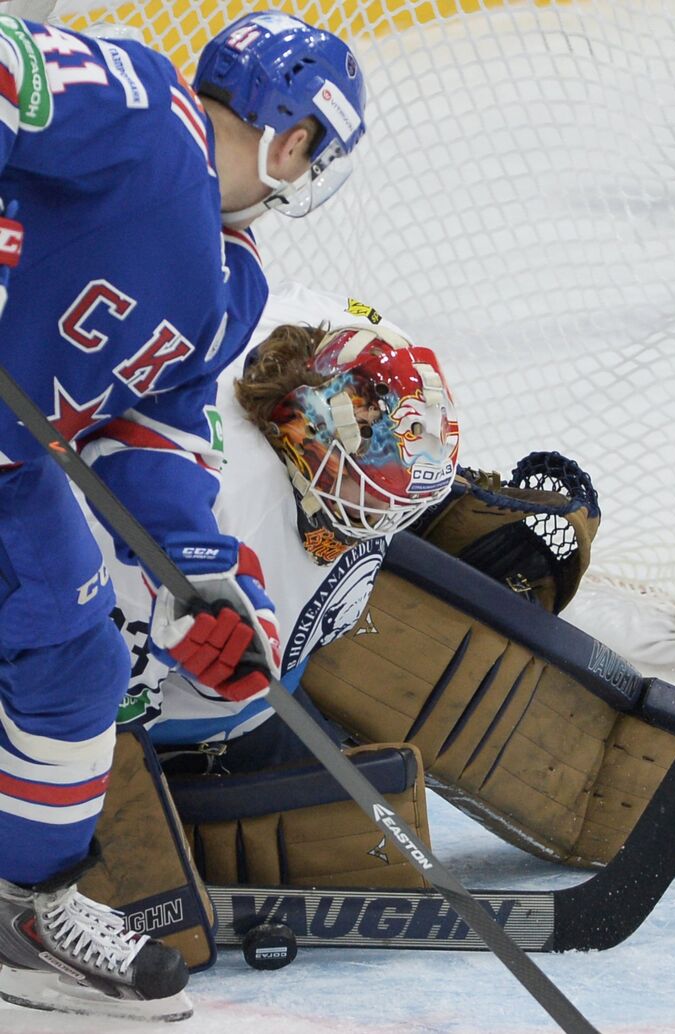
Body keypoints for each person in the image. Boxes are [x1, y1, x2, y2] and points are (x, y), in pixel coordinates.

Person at [0, 11, 365, 1021]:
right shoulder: (139, 106)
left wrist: (203, 576)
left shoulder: (229, 280)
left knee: (79, 664)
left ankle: (21, 910)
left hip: (7, 465)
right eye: (314, 149)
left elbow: (147, 435)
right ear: (293, 136)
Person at [92, 281, 459, 769]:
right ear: (306, 444)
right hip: (185, 727)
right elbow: (115, 708)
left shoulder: (334, 332)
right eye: (371, 491)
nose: (388, 515)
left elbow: (354, 335)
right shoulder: (214, 506)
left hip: (275, 677)